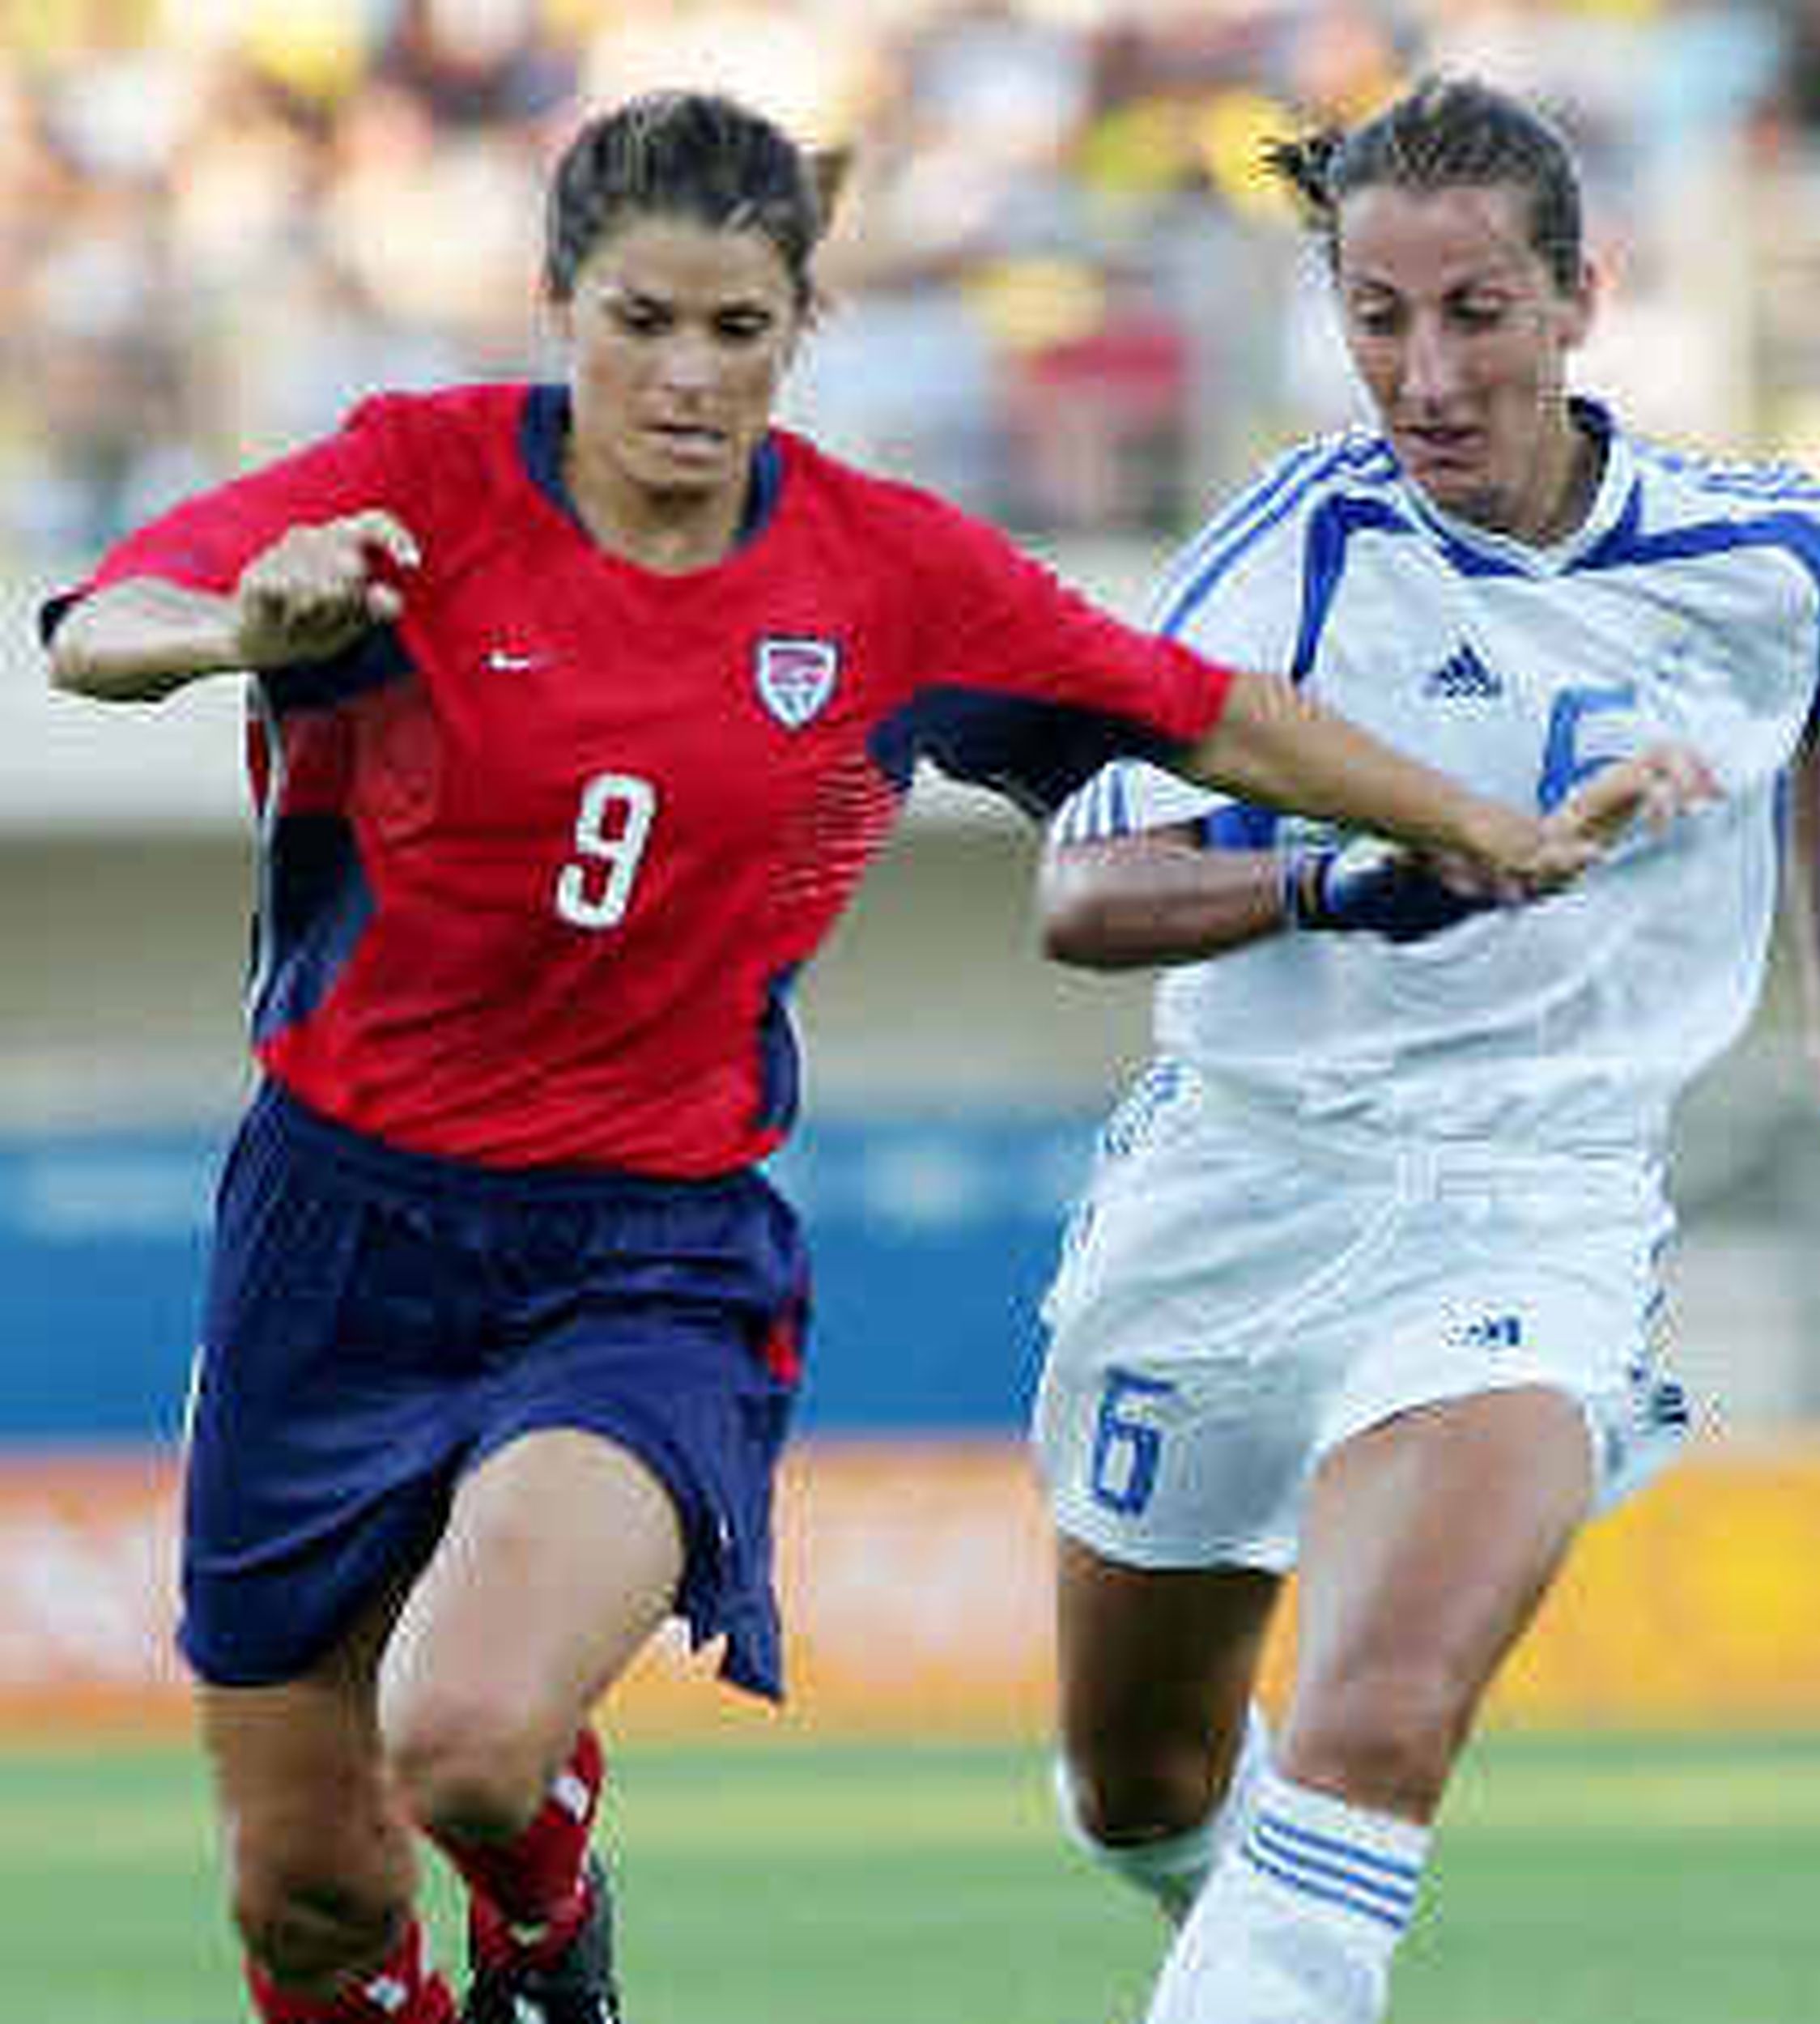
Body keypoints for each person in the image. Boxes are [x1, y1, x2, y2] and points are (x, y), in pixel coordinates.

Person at [37, 87, 1701, 2024]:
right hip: (333, 1232)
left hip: (643, 1247)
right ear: (556, 304)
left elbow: (1201, 712)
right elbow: (97, 625)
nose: (684, 376)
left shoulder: (880, 572)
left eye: (736, 332)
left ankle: (545, 1890)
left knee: (468, 1735)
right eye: (640, 322)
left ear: (798, 331)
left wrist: (1468, 825)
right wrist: (241, 621)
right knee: (308, 1898)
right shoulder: (410, 485)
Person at [1029, 74, 1820, 2024]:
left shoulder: (1752, 544)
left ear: (1578, 299)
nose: (1423, 371)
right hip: (1241, 1182)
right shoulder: (1285, 562)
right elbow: (1079, 896)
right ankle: (1223, 1921)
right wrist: (1355, 881)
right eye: (1375, 319)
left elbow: (1808, 685)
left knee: (1375, 1719)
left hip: (1531, 1204)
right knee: (1140, 1784)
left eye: (1472, 312)